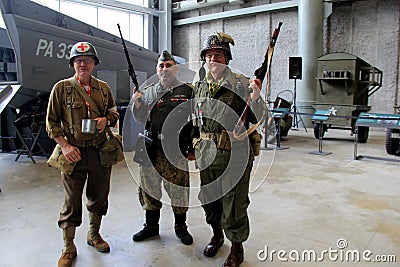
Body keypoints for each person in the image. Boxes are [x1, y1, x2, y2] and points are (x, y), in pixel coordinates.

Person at [192, 32, 264, 267]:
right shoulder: (200, 86)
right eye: (209, 55)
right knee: (209, 199)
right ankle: (217, 235)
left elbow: (259, 116)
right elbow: (195, 120)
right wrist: (194, 147)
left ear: (227, 58)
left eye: (219, 55)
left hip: (235, 154)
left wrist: (255, 97)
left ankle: (236, 247)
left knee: (233, 204)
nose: (213, 59)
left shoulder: (241, 83)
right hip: (207, 153)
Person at [46, 41, 119, 267]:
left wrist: (106, 120)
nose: (83, 64)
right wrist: (65, 146)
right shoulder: (61, 88)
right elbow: (51, 123)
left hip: (99, 151)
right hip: (73, 153)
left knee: (99, 196)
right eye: (79, 60)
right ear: (73, 64)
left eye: (87, 60)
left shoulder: (103, 88)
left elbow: (114, 112)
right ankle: (68, 246)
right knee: (71, 201)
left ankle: (93, 234)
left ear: (94, 63)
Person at [131, 50, 194, 245]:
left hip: (175, 149)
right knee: (149, 188)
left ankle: (181, 228)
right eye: (161, 66)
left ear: (175, 69)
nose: (165, 69)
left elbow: (197, 119)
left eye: (168, 65)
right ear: (156, 70)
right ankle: (151, 227)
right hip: (151, 149)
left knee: (179, 190)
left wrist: (194, 146)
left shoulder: (187, 91)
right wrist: (138, 105)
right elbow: (140, 119)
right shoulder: (148, 91)